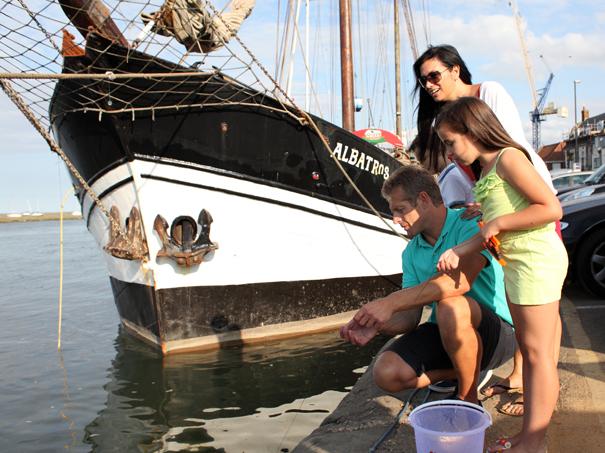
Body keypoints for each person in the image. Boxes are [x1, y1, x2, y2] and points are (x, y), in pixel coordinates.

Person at [412, 44, 562, 415]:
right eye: (423, 80)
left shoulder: (490, 104)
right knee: (530, 328)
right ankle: (523, 380)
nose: (429, 85)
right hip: (511, 232)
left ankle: (534, 412)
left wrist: (497, 216)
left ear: (456, 69)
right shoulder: (473, 155)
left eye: (434, 75)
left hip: (530, 223)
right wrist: (485, 212)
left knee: (541, 335)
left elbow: (511, 151)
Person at [435, 97, 567, 453]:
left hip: (534, 263)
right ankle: (527, 435)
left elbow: (551, 207)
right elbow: (501, 221)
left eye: (450, 142)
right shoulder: (490, 169)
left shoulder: (509, 157)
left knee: (538, 357)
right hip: (518, 264)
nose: (448, 153)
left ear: (472, 130)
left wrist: (498, 220)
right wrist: (464, 243)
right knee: (532, 351)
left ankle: (532, 442)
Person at [340, 164, 515, 405]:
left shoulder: (468, 223)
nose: (396, 220)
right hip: (446, 332)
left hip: (497, 334)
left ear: (423, 200)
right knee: (386, 373)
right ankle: (464, 369)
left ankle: (467, 397)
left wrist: (390, 302)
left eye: (400, 210)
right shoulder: (411, 252)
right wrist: (375, 324)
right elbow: (410, 318)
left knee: (450, 305)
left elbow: (458, 283)